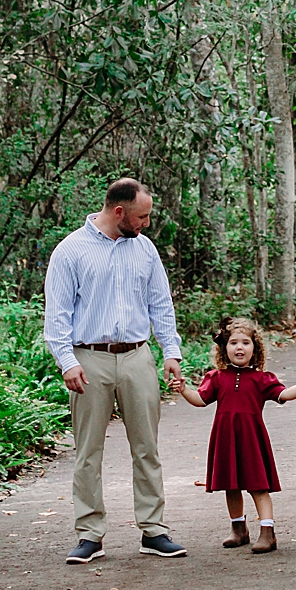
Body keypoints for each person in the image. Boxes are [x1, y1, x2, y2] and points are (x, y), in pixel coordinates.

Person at [43, 177, 188, 564]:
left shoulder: (145, 249)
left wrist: (169, 351)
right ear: (119, 211)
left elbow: (161, 303)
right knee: (88, 450)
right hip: (88, 358)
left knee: (147, 447)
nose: (146, 223)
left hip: (137, 356)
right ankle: (89, 534)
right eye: (141, 216)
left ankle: (153, 529)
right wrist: (67, 362)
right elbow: (56, 315)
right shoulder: (70, 251)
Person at [176, 316, 296, 554]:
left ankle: (267, 532)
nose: (239, 347)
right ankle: (238, 529)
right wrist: (183, 389)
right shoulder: (217, 378)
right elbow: (200, 400)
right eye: (233, 343)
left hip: (252, 439)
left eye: (245, 342)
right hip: (225, 438)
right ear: (225, 348)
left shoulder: (262, 379)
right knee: (230, 485)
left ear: (255, 348)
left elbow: (285, 395)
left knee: (258, 485)